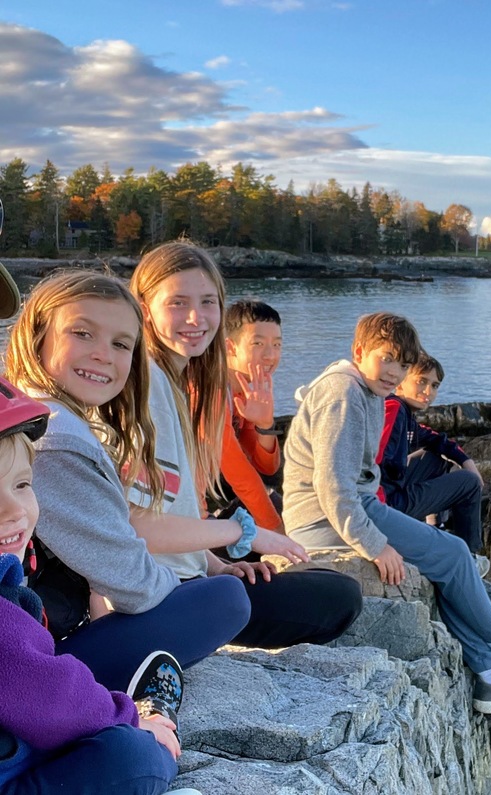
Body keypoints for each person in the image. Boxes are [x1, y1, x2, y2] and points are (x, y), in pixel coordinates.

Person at [283, 311, 491, 714]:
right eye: (386, 357)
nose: (394, 371)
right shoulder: (343, 394)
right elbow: (333, 487)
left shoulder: (365, 391)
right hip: (326, 520)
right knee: (454, 555)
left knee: (446, 569)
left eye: (403, 364)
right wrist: (375, 546)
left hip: (348, 508)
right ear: (359, 351)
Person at [4, 270, 252, 693]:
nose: (103, 354)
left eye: (121, 344)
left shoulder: (38, 416)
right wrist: (188, 589)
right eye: (83, 333)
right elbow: (133, 584)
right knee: (225, 601)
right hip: (27, 667)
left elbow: (101, 565)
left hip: (36, 631)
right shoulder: (56, 439)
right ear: (37, 337)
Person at [129, 241, 362, 649]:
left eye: (207, 302)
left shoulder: (185, 381)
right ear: (145, 308)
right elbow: (143, 521)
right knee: (339, 597)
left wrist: (216, 564)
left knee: (327, 586)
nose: (195, 317)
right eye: (178, 302)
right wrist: (256, 533)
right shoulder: (154, 388)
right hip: (163, 588)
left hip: (192, 559)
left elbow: (262, 469)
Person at [0, 282, 183, 794]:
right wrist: (129, 718)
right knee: (131, 756)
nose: (14, 508)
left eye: (21, 486)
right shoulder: (57, 438)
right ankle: (159, 724)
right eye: (83, 333)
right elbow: (42, 690)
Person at [378, 353, 484, 552]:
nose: (428, 391)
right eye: (421, 381)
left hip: (388, 496)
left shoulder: (403, 413)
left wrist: (466, 461)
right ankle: (470, 556)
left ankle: (435, 526)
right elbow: (376, 461)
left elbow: (437, 439)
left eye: (434, 385)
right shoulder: (392, 410)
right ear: (400, 381)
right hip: (385, 506)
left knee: (434, 458)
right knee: (468, 483)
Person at [211, 300, 285, 532]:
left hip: (219, 491)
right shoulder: (210, 390)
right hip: (188, 504)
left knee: (277, 501)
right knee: (272, 508)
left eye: (277, 345)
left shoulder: (245, 391)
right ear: (230, 347)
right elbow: (238, 473)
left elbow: (266, 468)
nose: (270, 355)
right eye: (258, 343)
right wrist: (278, 532)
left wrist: (265, 424)